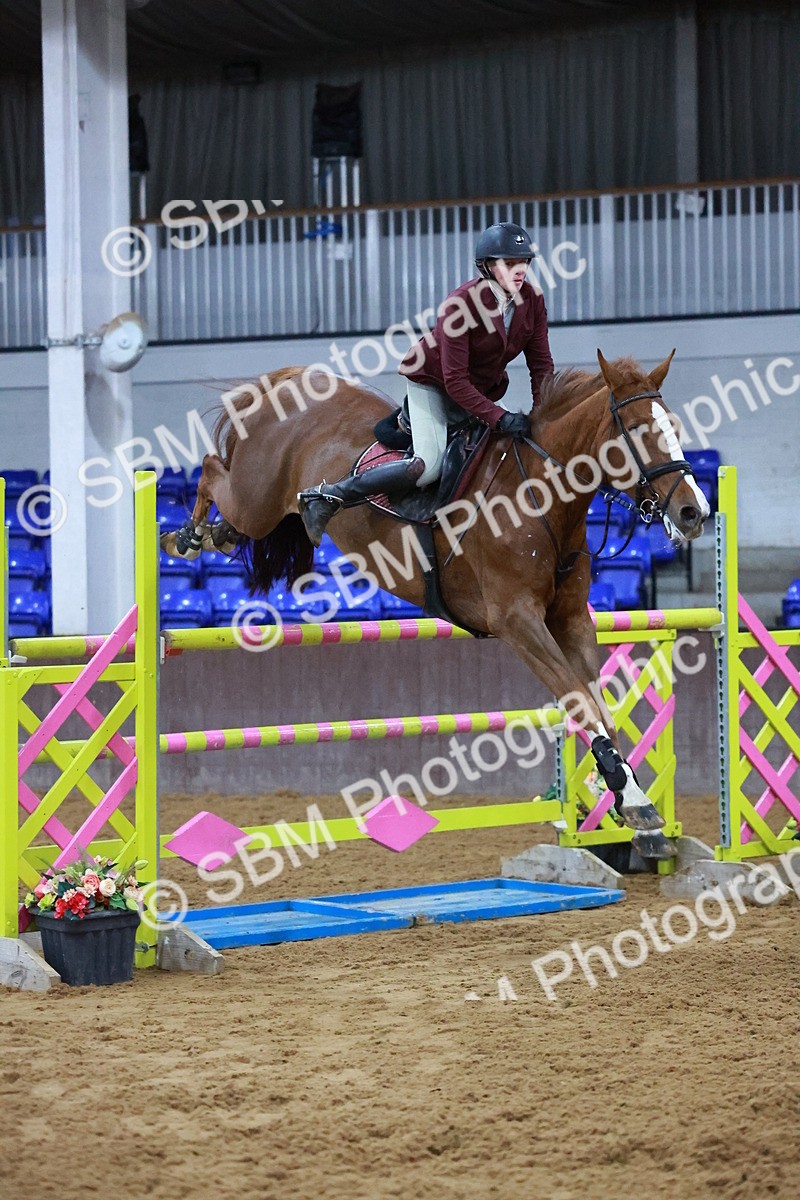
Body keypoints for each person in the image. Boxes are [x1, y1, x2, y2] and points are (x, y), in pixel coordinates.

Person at [297, 222, 555, 545]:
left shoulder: (532, 300)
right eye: (509, 263)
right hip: (434, 384)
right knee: (428, 467)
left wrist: (544, 413)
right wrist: (500, 417)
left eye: (524, 262)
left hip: (481, 390)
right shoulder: (460, 305)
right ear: (487, 266)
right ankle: (328, 496)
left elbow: (541, 365)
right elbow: (455, 381)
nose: (519, 270)